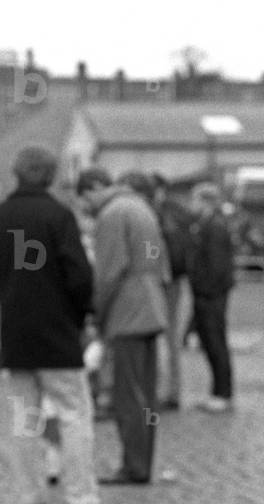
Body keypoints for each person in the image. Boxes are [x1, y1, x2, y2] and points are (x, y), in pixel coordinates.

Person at [0, 148, 121, 504]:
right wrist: (80, 315)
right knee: (73, 416)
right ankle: (82, 499)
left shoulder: (2, 215)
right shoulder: (59, 216)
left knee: (22, 419)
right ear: (51, 176)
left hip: (12, 336)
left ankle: (28, 498)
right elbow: (80, 276)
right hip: (56, 334)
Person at [77, 166, 169, 485]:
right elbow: (160, 260)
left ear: (92, 191)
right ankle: (142, 461)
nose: (84, 210)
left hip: (128, 312)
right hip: (151, 307)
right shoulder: (141, 208)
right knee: (146, 395)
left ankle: (133, 466)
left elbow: (108, 273)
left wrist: (98, 314)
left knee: (127, 395)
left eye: (83, 201)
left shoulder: (112, 215)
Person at [187, 183, 235, 412]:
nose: (191, 204)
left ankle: (222, 393)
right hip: (208, 294)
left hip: (211, 295)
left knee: (216, 343)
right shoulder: (207, 224)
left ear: (205, 201)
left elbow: (216, 265)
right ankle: (217, 392)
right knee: (210, 343)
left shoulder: (214, 226)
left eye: (194, 199)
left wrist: (205, 289)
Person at [151, 173, 193, 411]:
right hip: (176, 280)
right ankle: (173, 390)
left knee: (159, 336)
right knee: (171, 336)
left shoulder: (154, 213)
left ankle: (162, 390)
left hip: (160, 281)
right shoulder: (179, 212)